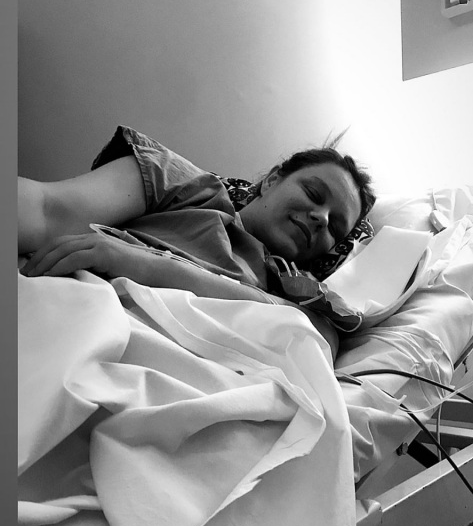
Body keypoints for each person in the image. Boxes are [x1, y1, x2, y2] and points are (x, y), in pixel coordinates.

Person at [18, 125, 376, 356]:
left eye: (336, 226)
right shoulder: (189, 185)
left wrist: (135, 261)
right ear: (271, 181)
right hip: (69, 313)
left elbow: (319, 341)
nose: (321, 218)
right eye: (313, 193)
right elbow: (48, 210)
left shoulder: (295, 292)